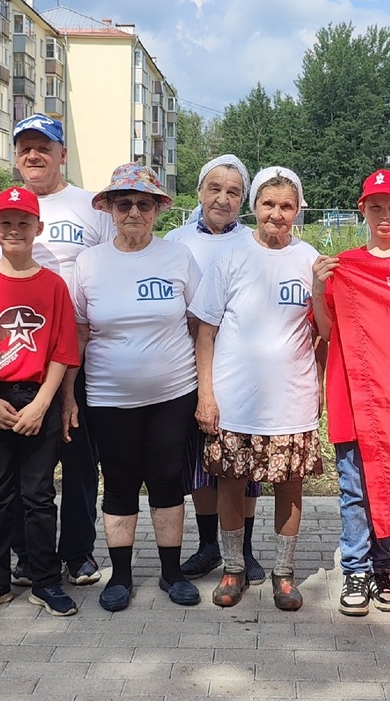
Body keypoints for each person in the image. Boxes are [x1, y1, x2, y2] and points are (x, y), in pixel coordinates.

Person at [0, 113, 111, 588]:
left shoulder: (89, 207)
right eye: (24, 148)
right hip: (17, 357)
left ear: (62, 155)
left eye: (43, 147)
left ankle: (76, 552)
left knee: (77, 459)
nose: (33, 156)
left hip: (80, 353)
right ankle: (23, 552)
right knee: (18, 468)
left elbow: (111, 268)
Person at [64, 164, 203, 611]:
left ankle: (171, 572)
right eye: (124, 204)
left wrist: (208, 389)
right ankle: (120, 577)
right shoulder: (90, 263)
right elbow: (79, 332)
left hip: (173, 394)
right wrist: (68, 394)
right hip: (108, 397)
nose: (134, 212)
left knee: (167, 480)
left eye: (144, 203)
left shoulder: (178, 257)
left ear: (158, 209)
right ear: (108, 209)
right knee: (120, 483)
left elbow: (199, 324)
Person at [190, 166, 324, 611]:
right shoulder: (231, 257)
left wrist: (323, 290)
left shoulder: (310, 260)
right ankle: (233, 569)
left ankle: (284, 574)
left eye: (287, 206)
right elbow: (205, 331)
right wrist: (206, 395)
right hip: (235, 400)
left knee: (289, 486)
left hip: (292, 398)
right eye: (268, 204)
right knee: (231, 482)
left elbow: (324, 330)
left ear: (298, 211)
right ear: (255, 208)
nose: (277, 214)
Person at [312, 169, 390, 617]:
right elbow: (327, 332)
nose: (384, 216)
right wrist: (318, 288)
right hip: (354, 397)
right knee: (354, 488)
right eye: (375, 207)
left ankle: (382, 568)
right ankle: (356, 571)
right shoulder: (345, 265)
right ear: (362, 209)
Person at [0, 187, 81, 618]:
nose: (14, 230)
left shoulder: (52, 286)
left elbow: (63, 351)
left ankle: (45, 579)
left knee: (39, 495)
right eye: (5, 223)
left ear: (38, 228)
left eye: (23, 223)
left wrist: (43, 403)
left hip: (35, 399)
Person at [163, 154, 266, 584]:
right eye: (214, 189)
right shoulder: (177, 241)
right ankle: (209, 545)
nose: (222, 199)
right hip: (191, 366)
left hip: (244, 369)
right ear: (200, 191)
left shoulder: (253, 242)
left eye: (233, 192)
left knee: (245, 465)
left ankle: (242, 548)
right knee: (203, 461)